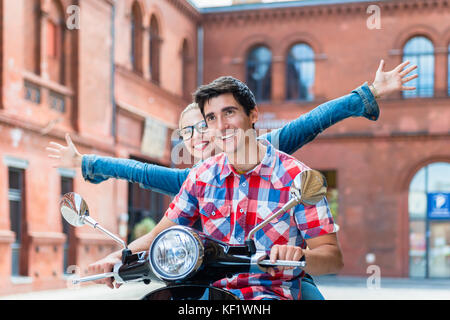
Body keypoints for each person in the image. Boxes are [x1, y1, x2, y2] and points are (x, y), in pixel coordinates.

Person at [47, 60, 418, 299]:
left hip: (278, 285)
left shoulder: (289, 168)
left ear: (253, 115)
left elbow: (314, 120)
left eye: (228, 115)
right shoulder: (197, 176)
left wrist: (367, 94)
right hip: (210, 286)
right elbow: (148, 191)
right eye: (202, 124)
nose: (210, 132)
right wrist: (119, 255)